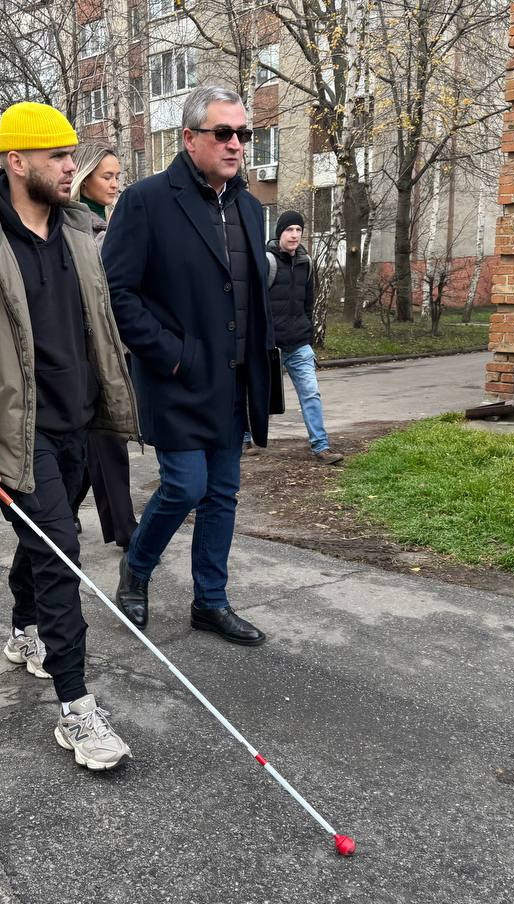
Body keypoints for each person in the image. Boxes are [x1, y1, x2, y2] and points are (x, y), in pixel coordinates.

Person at [0, 102, 138, 771]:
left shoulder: (80, 229)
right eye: (55, 156)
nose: (71, 166)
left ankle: (22, 633)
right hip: (19, 434)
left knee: (45, 540)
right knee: (62, 556)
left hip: (81, 421)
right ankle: (78, 711)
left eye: (72, 154)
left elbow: (99, 324)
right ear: (16, 162)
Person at [103, 85, 276, 648]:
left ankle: (211, 601)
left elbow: (247, 296)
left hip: (234, 382)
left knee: (222, 494)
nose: (235, 144)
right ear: (189, 138)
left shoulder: (250, 208)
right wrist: (172, 355)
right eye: (222, 133)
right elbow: (117, 292)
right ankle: (138, 566)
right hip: (176, 378)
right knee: (184, 486)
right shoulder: (147, 201)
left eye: (243, 134)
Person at [67, 142, 139, 551]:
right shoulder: (73, 229)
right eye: (106, 176)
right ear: (84, 177)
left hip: (115, 348)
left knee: (96, 442)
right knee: (107, 439)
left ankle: (64, 507)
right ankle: (129, 532)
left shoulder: (106, 227)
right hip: (84, 353)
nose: (115, 184)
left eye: (117, 176)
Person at [266, 211, 343, 465]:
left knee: (311, 393)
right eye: (290, 230)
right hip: (270, 344)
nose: (295, 235)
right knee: (256, 393)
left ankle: (321, 446)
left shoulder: (306, 263)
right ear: (280, 234)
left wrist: (307, 333)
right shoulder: (266, 261)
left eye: (299, 230)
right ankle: (244, 439)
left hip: (299, 342)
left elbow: (308, 303)